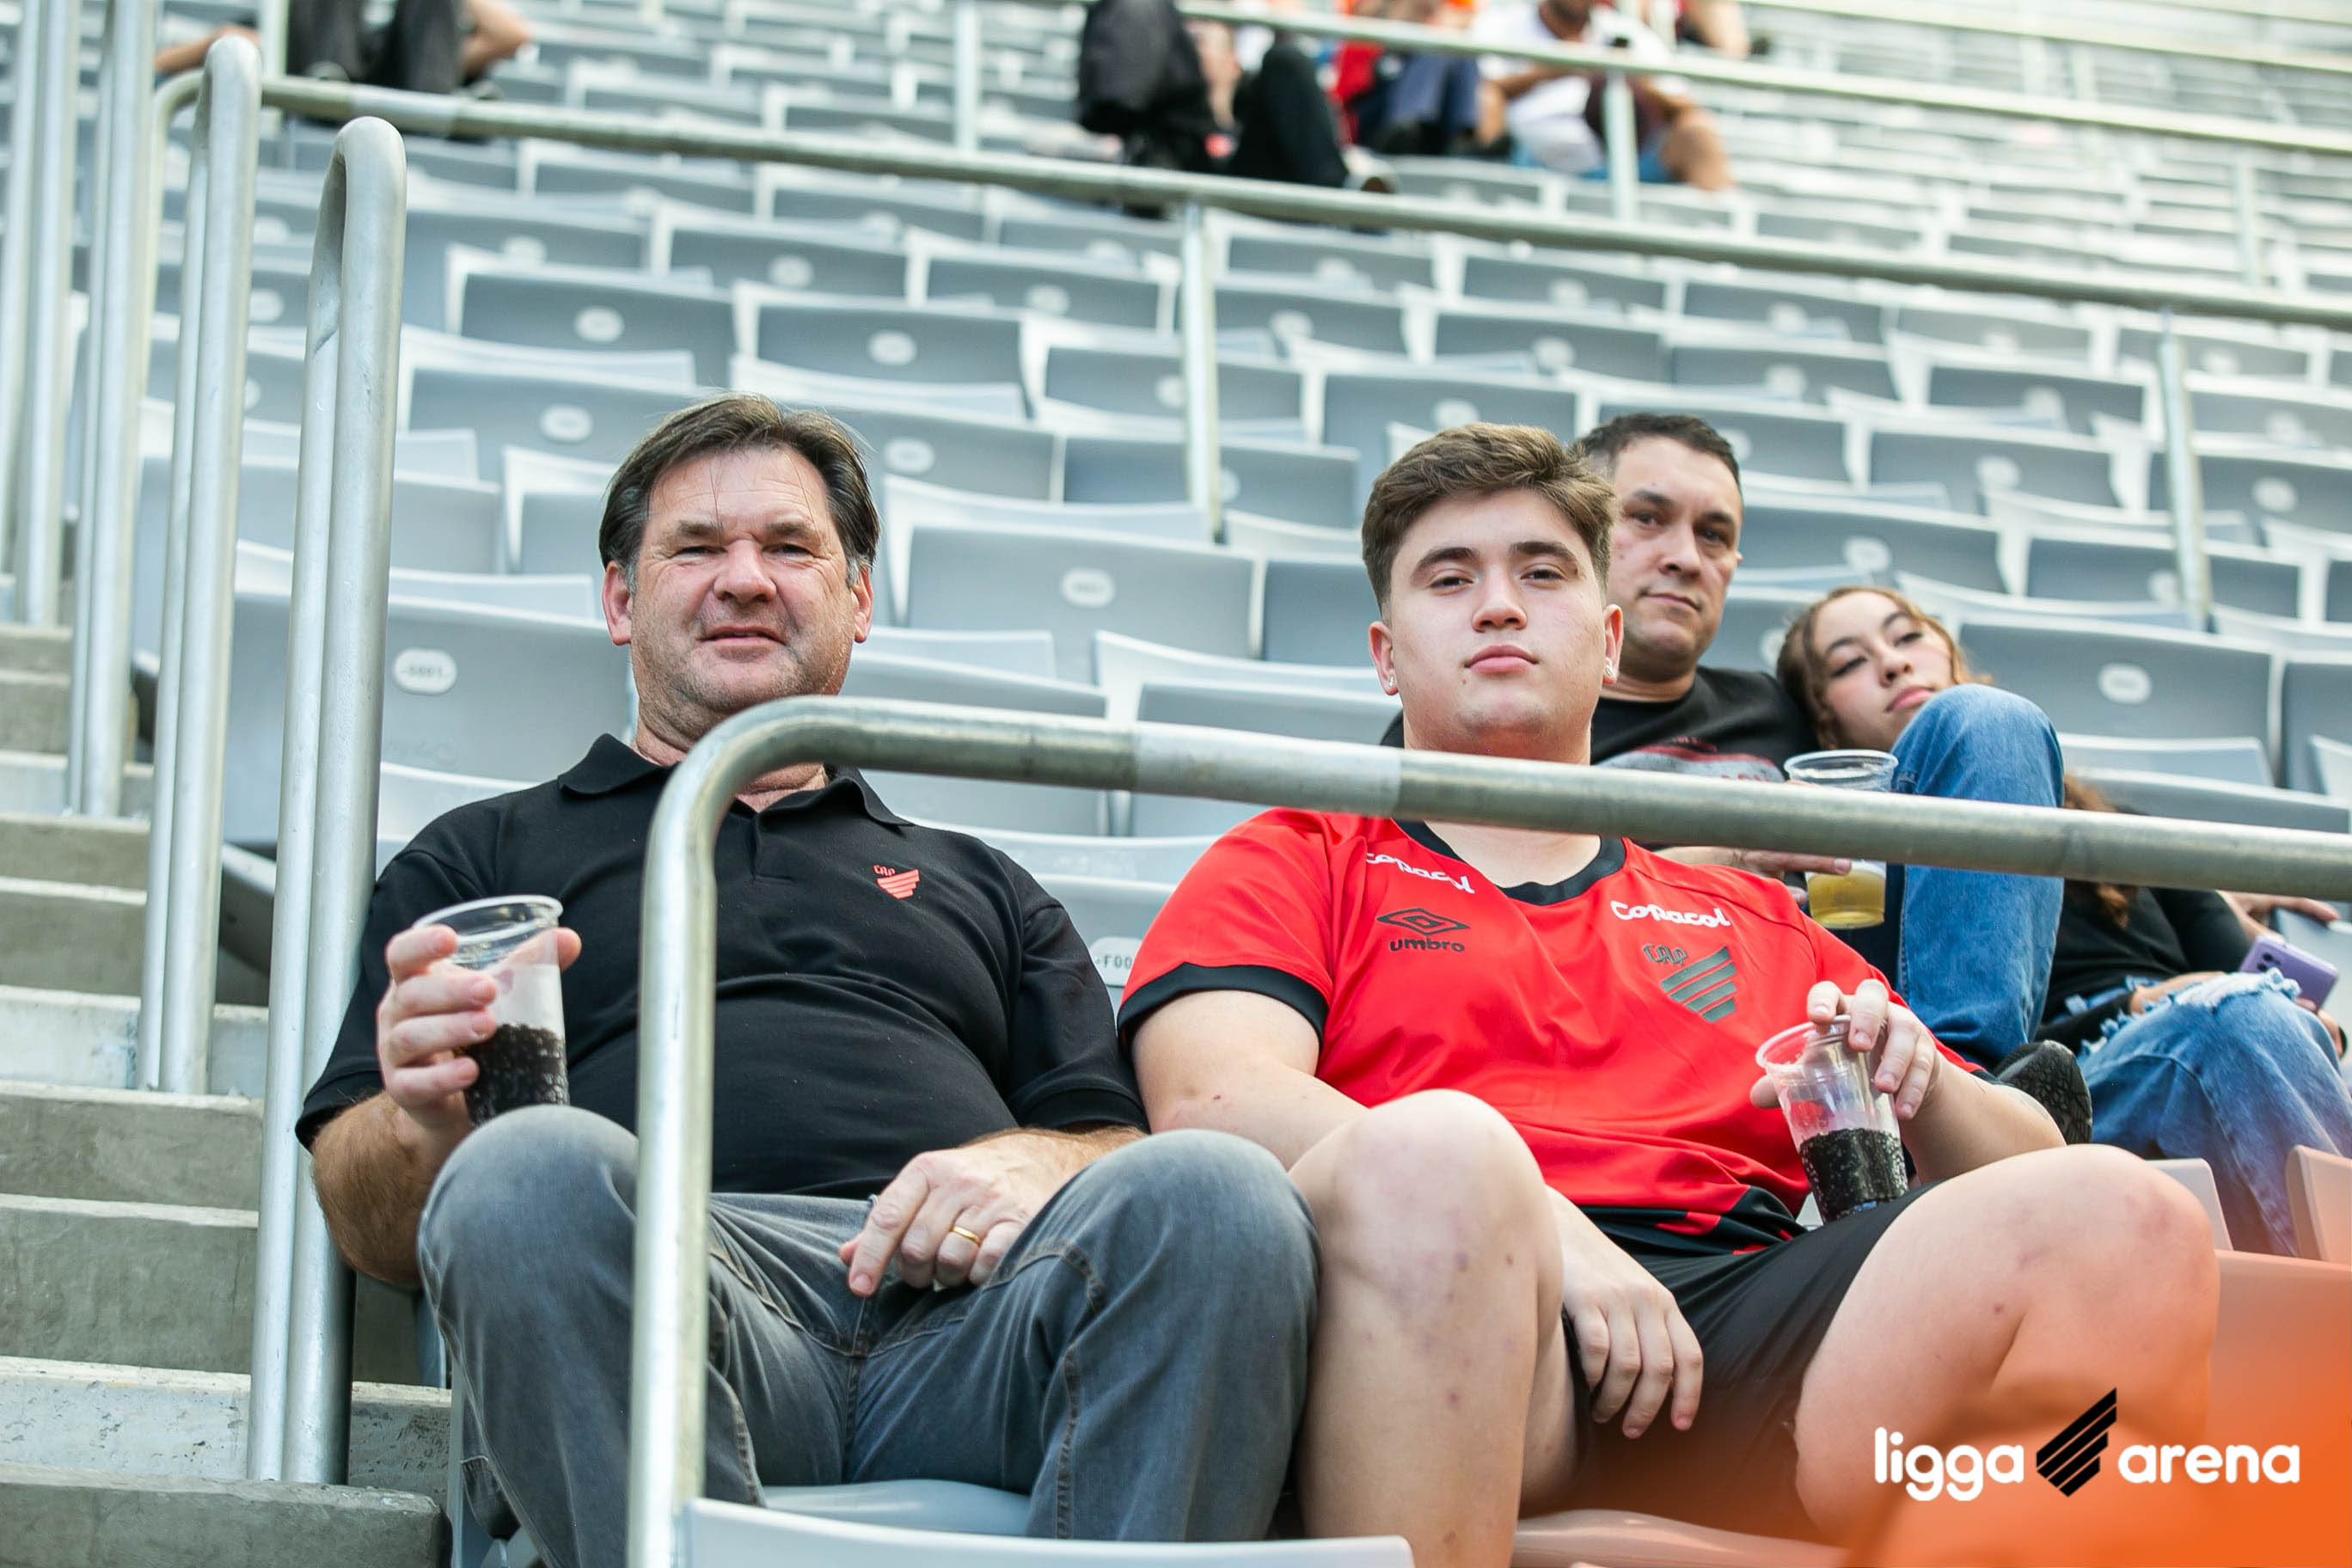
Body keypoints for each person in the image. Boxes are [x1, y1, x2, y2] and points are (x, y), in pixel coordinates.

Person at [1122, 424, 2217, 1566]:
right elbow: (1210, 1096)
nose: (1498, 606)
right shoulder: (1303, 851)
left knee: (2125, 1216)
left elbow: (2034, 1158)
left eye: (1542, 573)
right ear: (1387, 658)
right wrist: (1559, 1233)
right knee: (1438, 1153)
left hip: (1744, 1317)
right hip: (1455, 1299)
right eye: (1450, 580)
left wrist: (1927, 1081)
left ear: (1607, 642)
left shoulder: (1748, 912)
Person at [297, 395, 1317, 1568]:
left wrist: (1035, 1161)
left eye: (789, 547)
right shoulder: (484, 857)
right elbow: (369, 1229)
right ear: (621, 602)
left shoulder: (983, 881)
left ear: (857, 599)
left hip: (977, 1311)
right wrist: (427, 1124)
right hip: (666, 1294)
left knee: (1224, 1193)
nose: (744, 580)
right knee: (524, 1172)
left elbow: (1115, 1147)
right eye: (696, 548)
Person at [1776, 584, 2352, 1256]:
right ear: (1824, 728)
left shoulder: (2117, 831)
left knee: (2249, 1017)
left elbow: (2295, 1013)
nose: (1893, 663)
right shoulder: (1842, 875)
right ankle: (1970, 1094)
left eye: (1908, 637)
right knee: (1986, 719)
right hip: (1977, 1095)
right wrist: (2131, 1005)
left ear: (1950, 654)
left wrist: (2228, 990)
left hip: (2151, 1063)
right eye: (1849, 663)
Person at [1571, 411, 2067, 1074]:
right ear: (1580, 533)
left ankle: (1967, 1080)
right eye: (1647, 517)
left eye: (1714, 535)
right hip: (1637, 1001)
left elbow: (1968, 764)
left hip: (1835, 999)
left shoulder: (1780, 708)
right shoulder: (1525, 718)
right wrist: (1730, 855)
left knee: (1989, 717)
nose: (1686, 558)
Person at [1473, 0, 1732, 191]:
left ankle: (1726, 241)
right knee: (1484, 101)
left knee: (1696, 129)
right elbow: (1483, 88)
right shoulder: (1502, 24)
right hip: (1524, 158)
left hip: (1626, 163)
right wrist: (1551, 70)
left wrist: (1634, 79)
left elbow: (1684, 104)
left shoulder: (1628, 33)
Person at [156, 0, 533, 90]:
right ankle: (328, 82)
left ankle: (428, 109)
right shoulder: (286, 33)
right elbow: (159, 64)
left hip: (408, 93)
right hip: (305, 77)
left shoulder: (407, 46)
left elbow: (512, 36)